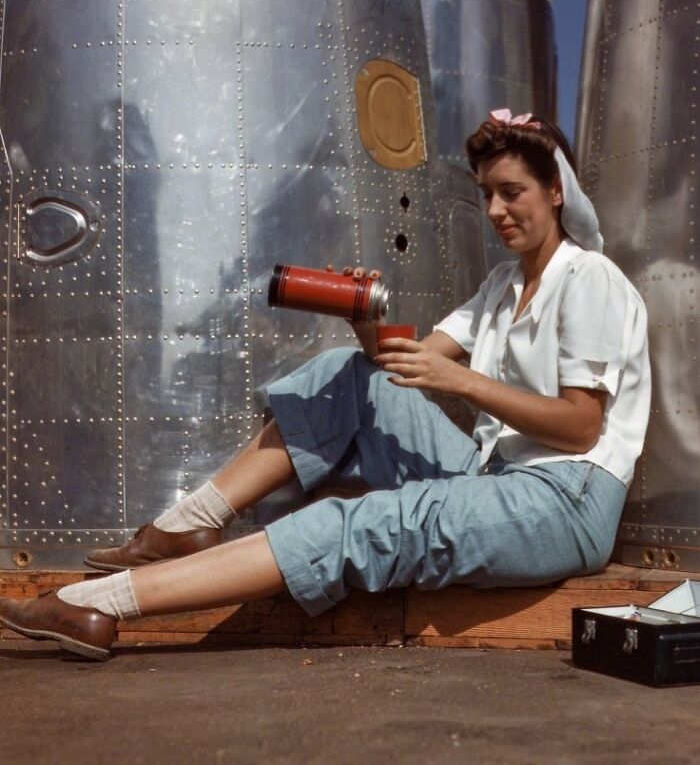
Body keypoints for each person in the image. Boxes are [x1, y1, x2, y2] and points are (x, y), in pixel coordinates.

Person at [0, 110, 651, 661]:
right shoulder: (502, 286)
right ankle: (189, 523)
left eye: (512, 192)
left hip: (568, 499)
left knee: (368, 524)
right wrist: (364, 322)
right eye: (486, 194)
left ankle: (93, 605)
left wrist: (466, 383)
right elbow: (405, 367)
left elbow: (580, 426)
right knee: (352, 374)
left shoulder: (587, 278)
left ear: (556, 191)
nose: (495, 210)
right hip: (494, 476)